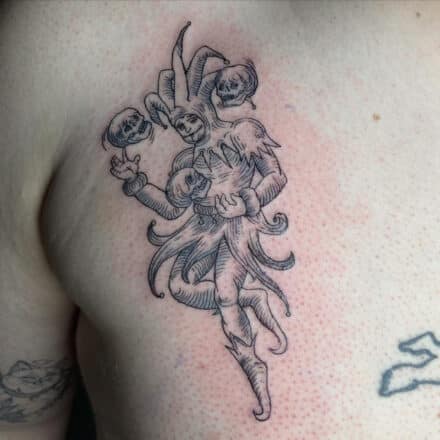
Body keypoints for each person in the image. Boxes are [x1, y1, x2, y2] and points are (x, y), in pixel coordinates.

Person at [1, 2, 439, 439]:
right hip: (206, 239)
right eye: (179, 124)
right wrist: (138, 185)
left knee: (228, 295)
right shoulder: (58, 52)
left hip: (240, 230)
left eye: (191, 119)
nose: (187, 128)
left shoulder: (244, 134)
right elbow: (171, 210)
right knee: (201, 292)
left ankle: (255, 366)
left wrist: (246, 200)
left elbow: (274, 176)